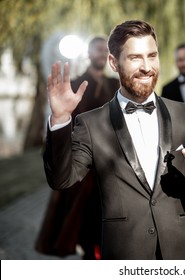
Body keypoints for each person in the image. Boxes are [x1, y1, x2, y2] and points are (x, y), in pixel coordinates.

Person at [42, 19, 185, 260]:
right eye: (135, 58)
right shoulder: (91, 124)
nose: (147, 67)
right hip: (125, 255)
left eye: (152, 56)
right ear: (113, 62)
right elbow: (61, 179)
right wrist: (60, 120)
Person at [35, 36, 119, 259]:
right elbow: (64, 124)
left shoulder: (115, 85)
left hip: (110, 166)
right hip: (82, 165)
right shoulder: (74, 84)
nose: (101, 54)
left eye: (105, 50)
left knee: (108, 223)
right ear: (89, 54)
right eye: (98, 50)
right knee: (82, 222)